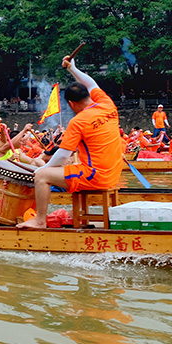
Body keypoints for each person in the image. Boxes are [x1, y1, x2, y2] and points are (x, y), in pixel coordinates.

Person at [18, 56, 122, 229]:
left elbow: (64, 154)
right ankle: (73, 215)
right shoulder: (107, 104)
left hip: (95, 175)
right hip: (114, 173)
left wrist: (44, 169)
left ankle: (40, 221)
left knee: (42, 176)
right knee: (51, 169)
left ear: (71, 104)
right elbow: (92, 84)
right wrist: (73, 69)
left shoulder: (79, 121)